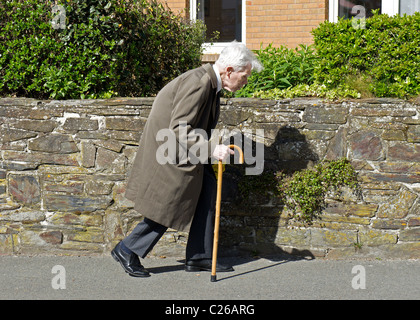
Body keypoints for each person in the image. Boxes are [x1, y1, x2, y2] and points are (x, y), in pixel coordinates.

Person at [111, 42, 263, 277]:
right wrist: (213, 149)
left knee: (208, 192)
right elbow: (180, 129)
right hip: (171, 150)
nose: (246, 81)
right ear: (229, 71)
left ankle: (200, 257)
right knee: (168, 204)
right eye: (244, 75)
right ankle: (127, 248)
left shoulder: (210, 83)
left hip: (182, 150)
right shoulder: (199, 83)